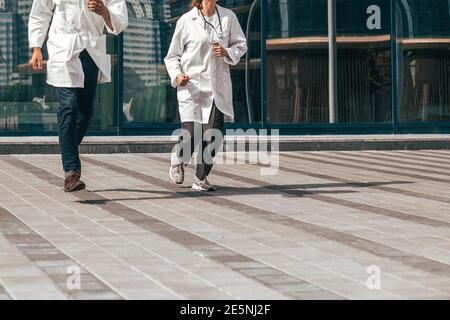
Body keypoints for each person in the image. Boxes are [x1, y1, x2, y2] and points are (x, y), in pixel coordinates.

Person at [28, 0, 128, 192]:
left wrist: (104, 11)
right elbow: (40, 12)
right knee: (68, 106)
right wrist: (36, 47)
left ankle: (68, 149)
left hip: (91, 49)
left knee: (85, 113)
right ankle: (71, 172)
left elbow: (120, 21)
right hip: (63, 48)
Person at [164, 0, 247, 192]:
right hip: (191, 85)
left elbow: (241, 46)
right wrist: (177, 75)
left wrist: (227, 51)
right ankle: (179, 159)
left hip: (217, 87)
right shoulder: (186, 20)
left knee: (214, 134)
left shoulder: (228, 17)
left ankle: (200, 178)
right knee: (192, 133)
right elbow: (172, 56)